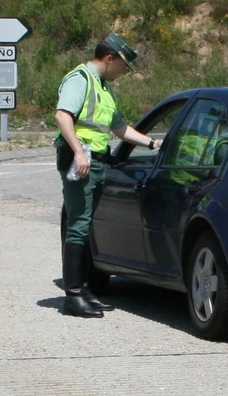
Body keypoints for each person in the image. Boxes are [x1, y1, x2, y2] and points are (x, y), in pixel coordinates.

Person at [54, 33, 162, 317]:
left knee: (86, 224)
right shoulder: (81, 79)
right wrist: (78, 152)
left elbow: (119, 128)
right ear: (109, 58)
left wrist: (152, 143)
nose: (125, 72)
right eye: (123, 66)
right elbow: (63, 116)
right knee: (78, 225)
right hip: (81, 163)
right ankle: (73, 295)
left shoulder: (103, 87)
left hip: (98, 162)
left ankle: (84, 289)